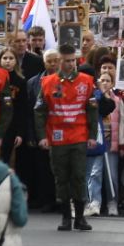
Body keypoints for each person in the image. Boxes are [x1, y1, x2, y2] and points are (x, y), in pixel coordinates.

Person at [35, 44, 101, 232]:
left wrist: (92, 135)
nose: (71, 64)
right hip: (57, 138)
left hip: (79, 136)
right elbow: (40, 111)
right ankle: (65, 217)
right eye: (66, 61)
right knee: (61, 177)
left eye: (73, 60)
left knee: (79, 176)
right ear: (59, 61)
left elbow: (92, 110)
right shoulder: (47, 82)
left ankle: (79, 217)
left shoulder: (87, 81)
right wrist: (42, 136)